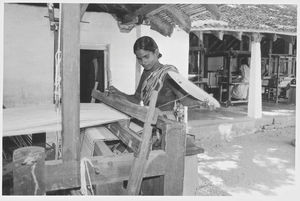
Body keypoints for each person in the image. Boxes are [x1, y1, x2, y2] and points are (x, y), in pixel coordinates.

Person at [109, 36, 200, 111]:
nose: (143, 62)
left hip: (165, 122)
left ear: (156, 52)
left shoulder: (168, 74)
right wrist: (119, 93)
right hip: (149, 119)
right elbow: (136, 99)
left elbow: (186, 100)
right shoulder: (146, 73)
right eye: (139, 58)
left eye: (146, 56)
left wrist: (204, 102)